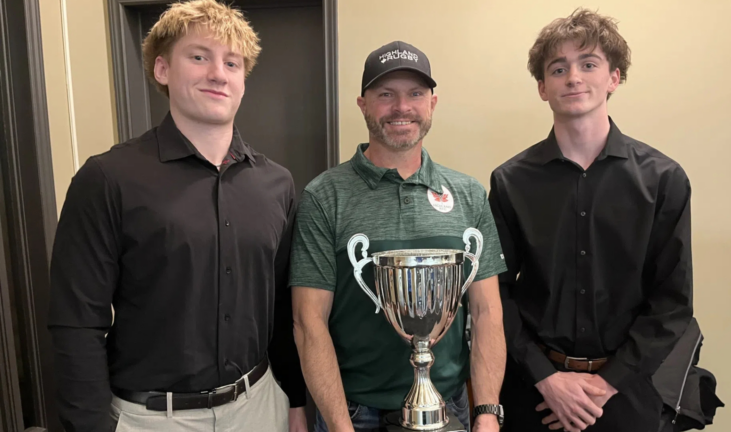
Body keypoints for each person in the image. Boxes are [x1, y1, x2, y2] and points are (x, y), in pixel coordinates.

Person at [47, 1, 306, 430]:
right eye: (199, 56)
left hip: (260, 408)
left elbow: (281, 307)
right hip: (148, 419)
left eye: (232, 63)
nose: (218, 74)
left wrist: (295, 400)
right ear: (163, 70)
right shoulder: (107, 179)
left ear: (243, 80)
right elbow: (76, 323)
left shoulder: (276, 184)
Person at [489, 9, 693, 432]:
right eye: (558, 68)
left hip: (626, 393)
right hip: (534, 392)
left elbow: (671, 304)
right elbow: (496, 295)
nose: (573, 78)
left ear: (613, 78)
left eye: (588, 64)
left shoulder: (663, 180)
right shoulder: (509, 182)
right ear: (543, 88)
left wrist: (606, 384)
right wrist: (546, 378)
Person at [290, 41, 507, 432]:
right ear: (362, 104)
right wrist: (340, 427)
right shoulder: (324, 196)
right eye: (385, 94)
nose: (401, 107)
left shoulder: (468, 193)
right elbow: (309, 322)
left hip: (450, 408)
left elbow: (488, 313)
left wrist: (488, 414)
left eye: (415, 94)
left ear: (432, 104)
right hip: (354, 413)